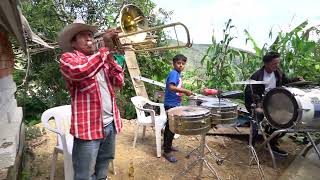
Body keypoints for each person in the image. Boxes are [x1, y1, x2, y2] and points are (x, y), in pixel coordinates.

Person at [58, 19, 124, 180]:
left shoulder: (101, 59)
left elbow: (119, 82)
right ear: (73, 43)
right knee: (84, 174)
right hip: (88, 128)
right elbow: (81, 71)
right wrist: (104, 51)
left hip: (110, 125)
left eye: (90, 35)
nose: (90, 38)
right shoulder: (68, 58)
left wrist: (109, 57)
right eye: (83, 36)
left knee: (103, 165)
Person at [244, 51, 302, 156]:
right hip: (259, 103)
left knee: (288, 118)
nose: (277, 65)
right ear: (266, 64)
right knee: (257, 116)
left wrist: (297, 80)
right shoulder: (257, 76)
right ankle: (252, 144)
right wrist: (258, 103)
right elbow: (249, 92)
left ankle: (271, 142)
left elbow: (286, 81)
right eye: (274, 63)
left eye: (278, 63)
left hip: (274, 102)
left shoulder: (278, 72)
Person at [163, 54, 193, 163]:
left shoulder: (177, 75)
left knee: (169, 126)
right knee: (172, 128)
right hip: (171, 105)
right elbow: (171, 87)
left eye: (183, 64)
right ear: (174, 64)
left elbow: (175, 88)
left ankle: (167, 145)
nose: (181, 65)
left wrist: (182, 92)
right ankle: (167, 151)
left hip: (173, 103)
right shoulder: (174, 73)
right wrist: (185, 91)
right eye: (178, 63)